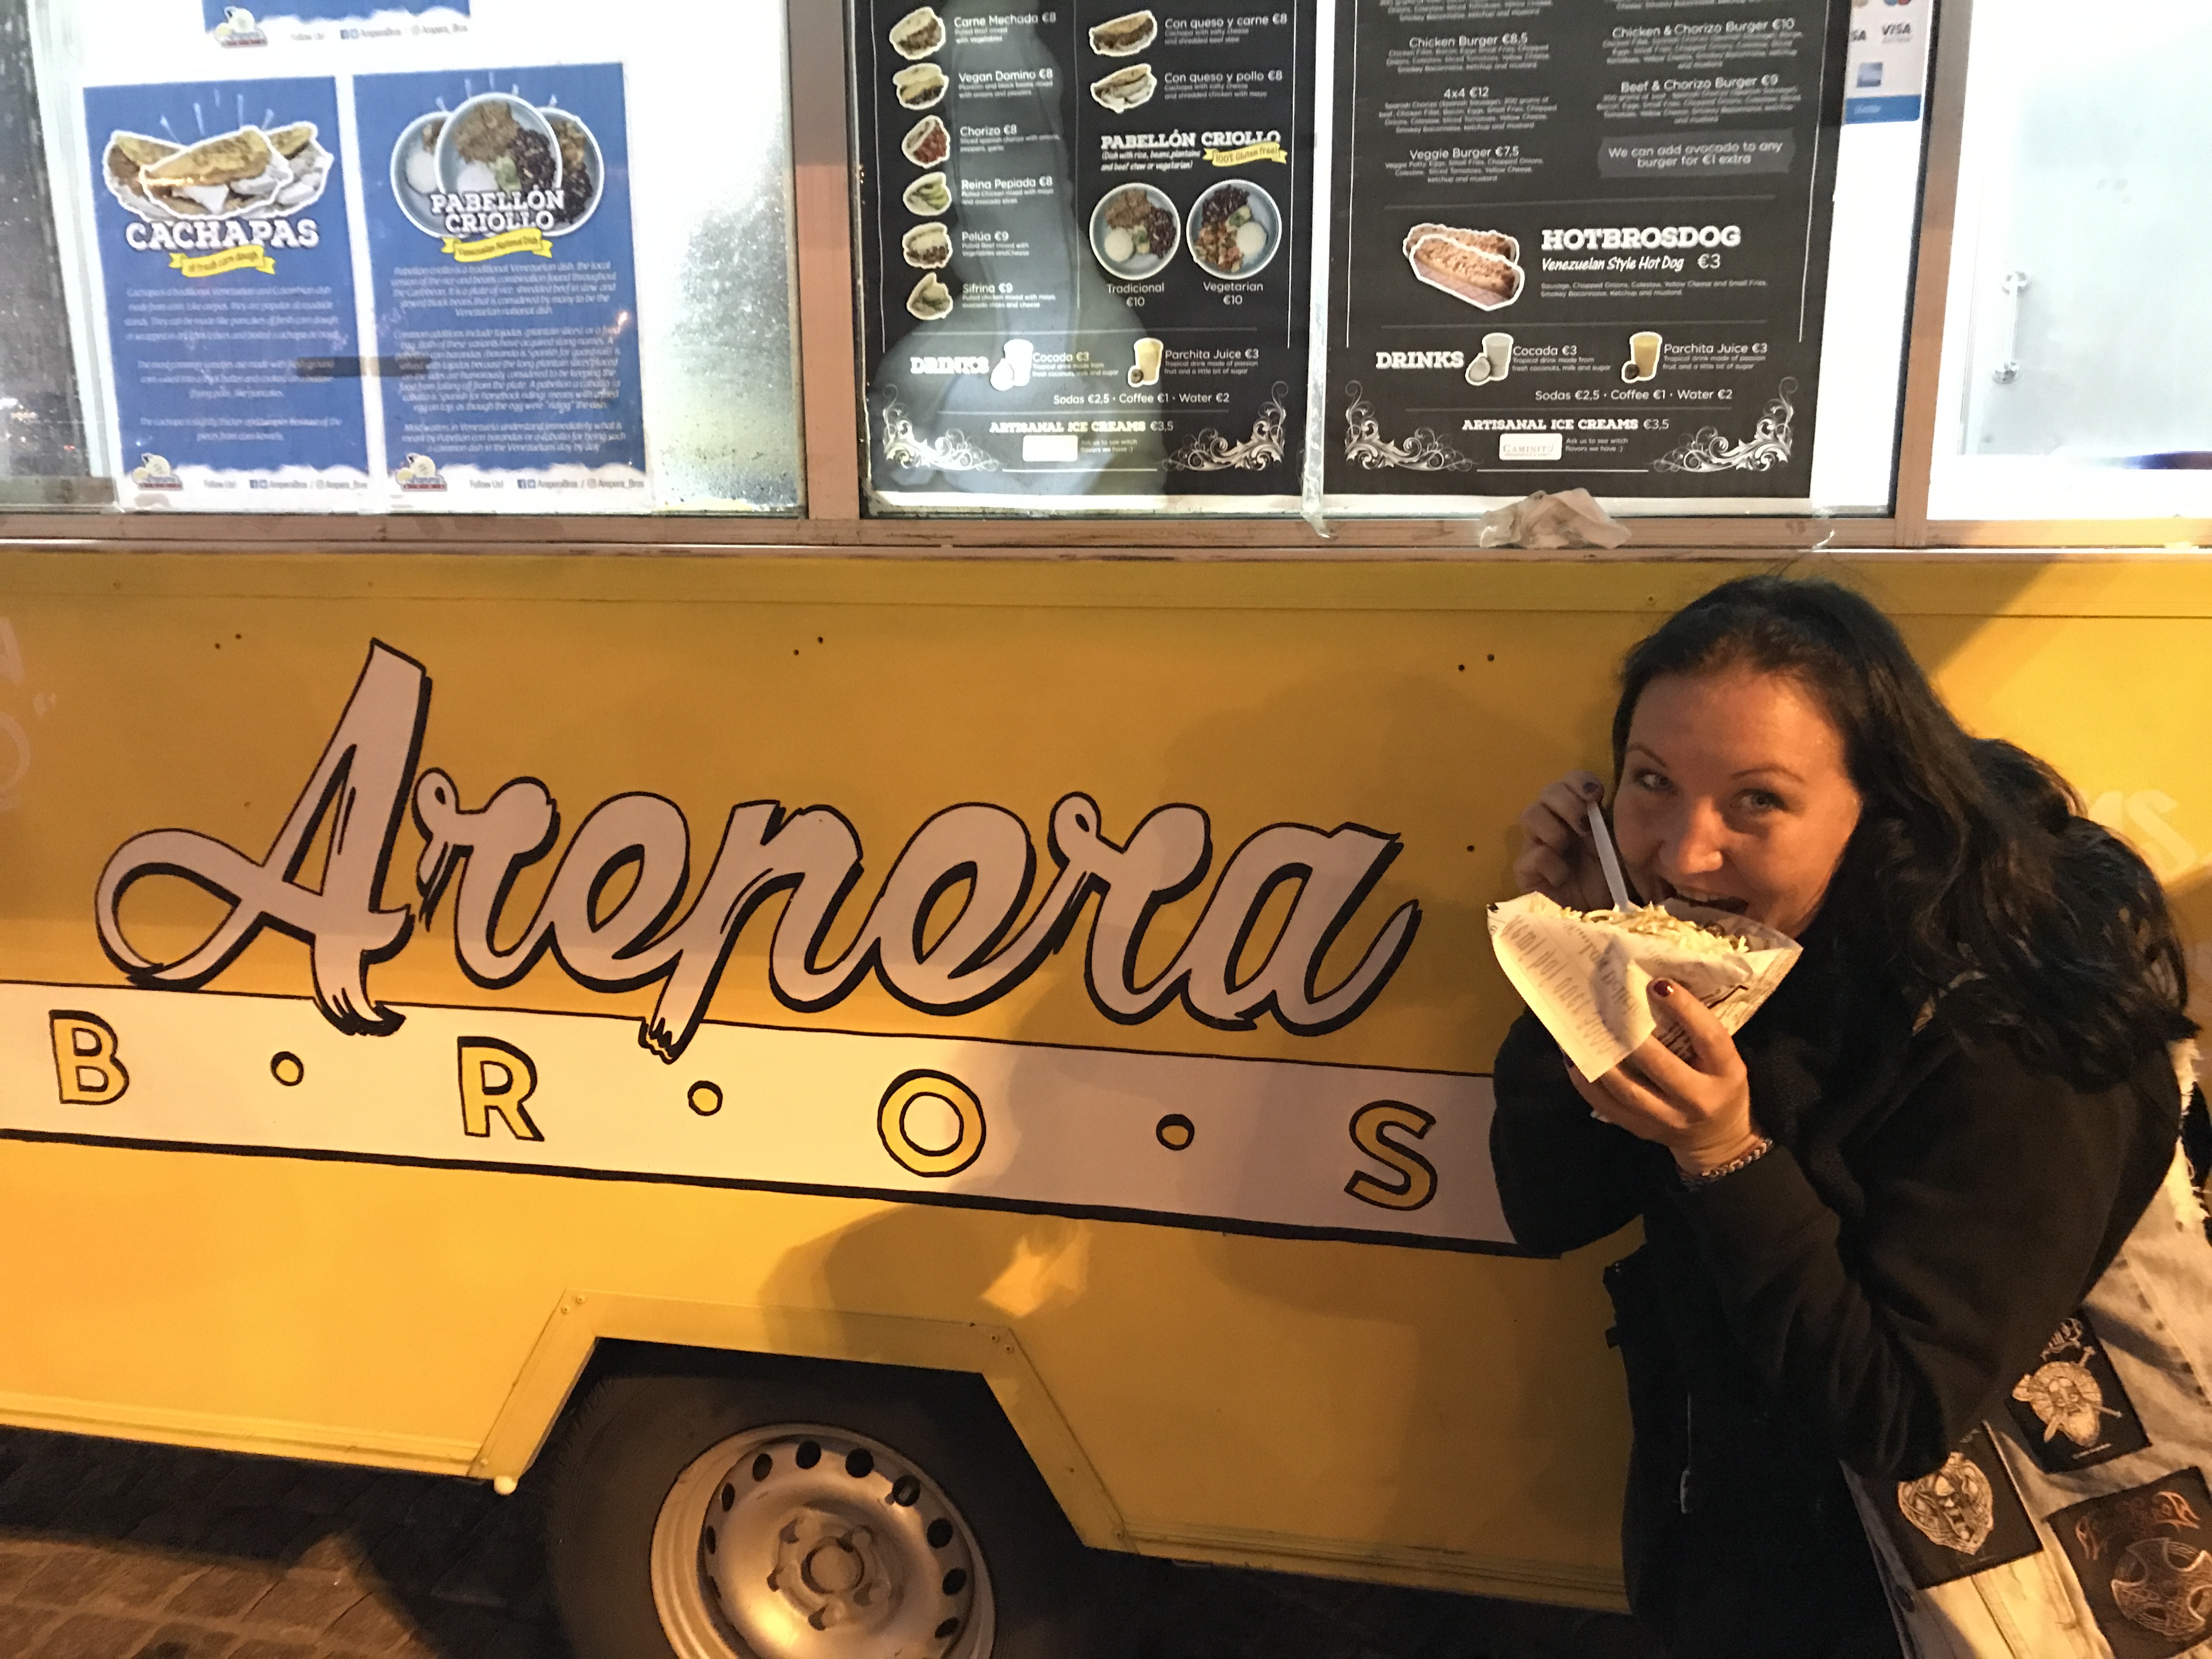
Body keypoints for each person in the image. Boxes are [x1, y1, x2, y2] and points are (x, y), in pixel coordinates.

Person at [1490, 575, 2194, 1657]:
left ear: (1879, 801)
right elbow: (1551, 1210)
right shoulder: (1733, 944)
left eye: (1758, 801)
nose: (1684, 851)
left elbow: (1898, 1418)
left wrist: (1724, 1156)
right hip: (1734, 1535)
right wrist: (1582, 957)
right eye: (1652, 781)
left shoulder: (2012, 1031)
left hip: (1932, 1600)